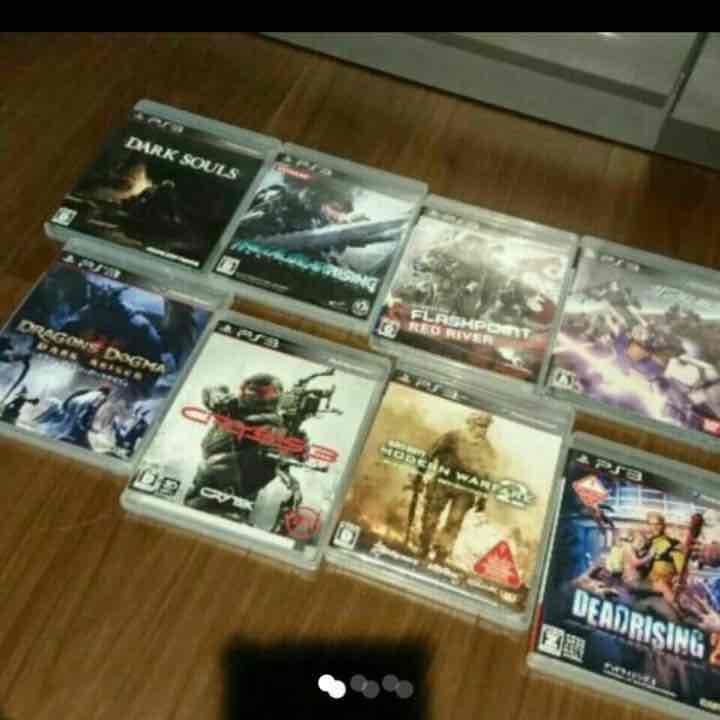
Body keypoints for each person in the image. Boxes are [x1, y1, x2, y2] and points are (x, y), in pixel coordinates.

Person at [184, 373, 303, 520]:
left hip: (237, 504)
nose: (254, 397)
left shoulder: (278, 427)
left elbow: (287, 461)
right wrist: (215, 394)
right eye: (252, 392)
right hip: (204, 496)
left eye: (260, 394)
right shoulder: (232, 408)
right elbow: (211, 391)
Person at [414, 411, 498, 565]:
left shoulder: (487, 449)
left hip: (465, 491)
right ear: (471, 424)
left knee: (454, 522)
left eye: (485, 427)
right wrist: (419, 475)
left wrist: (483, 498)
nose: (483, 430)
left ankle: (441, 556)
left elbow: (488, 475)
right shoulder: (452, 437)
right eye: (480, 425)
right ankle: (423, 548)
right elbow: (431, 453)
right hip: (442, 482)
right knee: (431, 517)